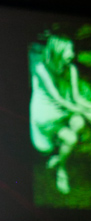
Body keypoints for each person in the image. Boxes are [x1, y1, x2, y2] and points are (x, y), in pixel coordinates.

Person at [30, 33, 91, 195]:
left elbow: (77, 98)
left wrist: (89, 108)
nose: (72, 53)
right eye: (68, 50)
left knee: (79, 123)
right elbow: (59, 100)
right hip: (47, 116)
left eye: (72, 49)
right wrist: (86, 112)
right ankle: (61, 171)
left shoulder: (71, 68)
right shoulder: (42, 69)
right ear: (58, 50)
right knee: (71, 138)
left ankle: (59, 157)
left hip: (63, 111)